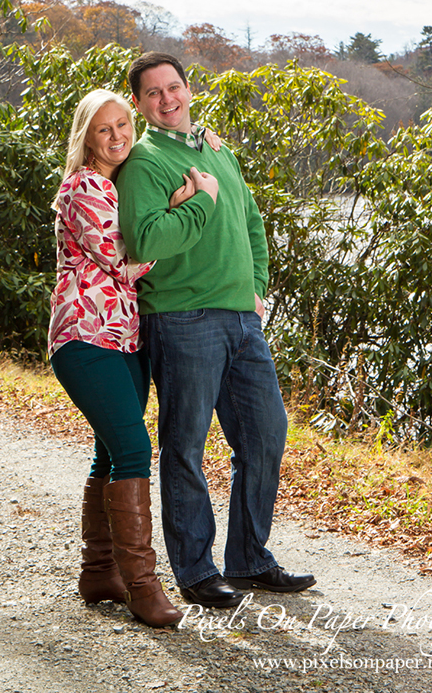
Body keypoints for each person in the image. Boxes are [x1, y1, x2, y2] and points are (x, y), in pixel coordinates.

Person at [117, 52, 316, 609]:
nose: (166, 99)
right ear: (139, 102)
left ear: (187, 88)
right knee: (185, 445)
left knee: (265, 435)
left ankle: (250, 559)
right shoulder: (145, 162)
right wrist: (202, 200)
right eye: (152, 93)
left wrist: (256, 287)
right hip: (182, 318)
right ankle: (197, 570)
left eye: (173, 87)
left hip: (241, 318)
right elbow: (148, 240)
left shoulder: (214, 150)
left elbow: (251, 221)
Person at [49, 89, 189, 628]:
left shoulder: (114, 183)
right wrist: (179, 209)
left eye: (123, 126)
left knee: (108, 455)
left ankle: (98, 571)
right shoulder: (84, 186)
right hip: (85, 336)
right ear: (86, 136)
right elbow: (126, 260)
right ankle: (143, 588)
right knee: (133, 450)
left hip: (122, 338)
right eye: (105, 129)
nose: (117, 136)